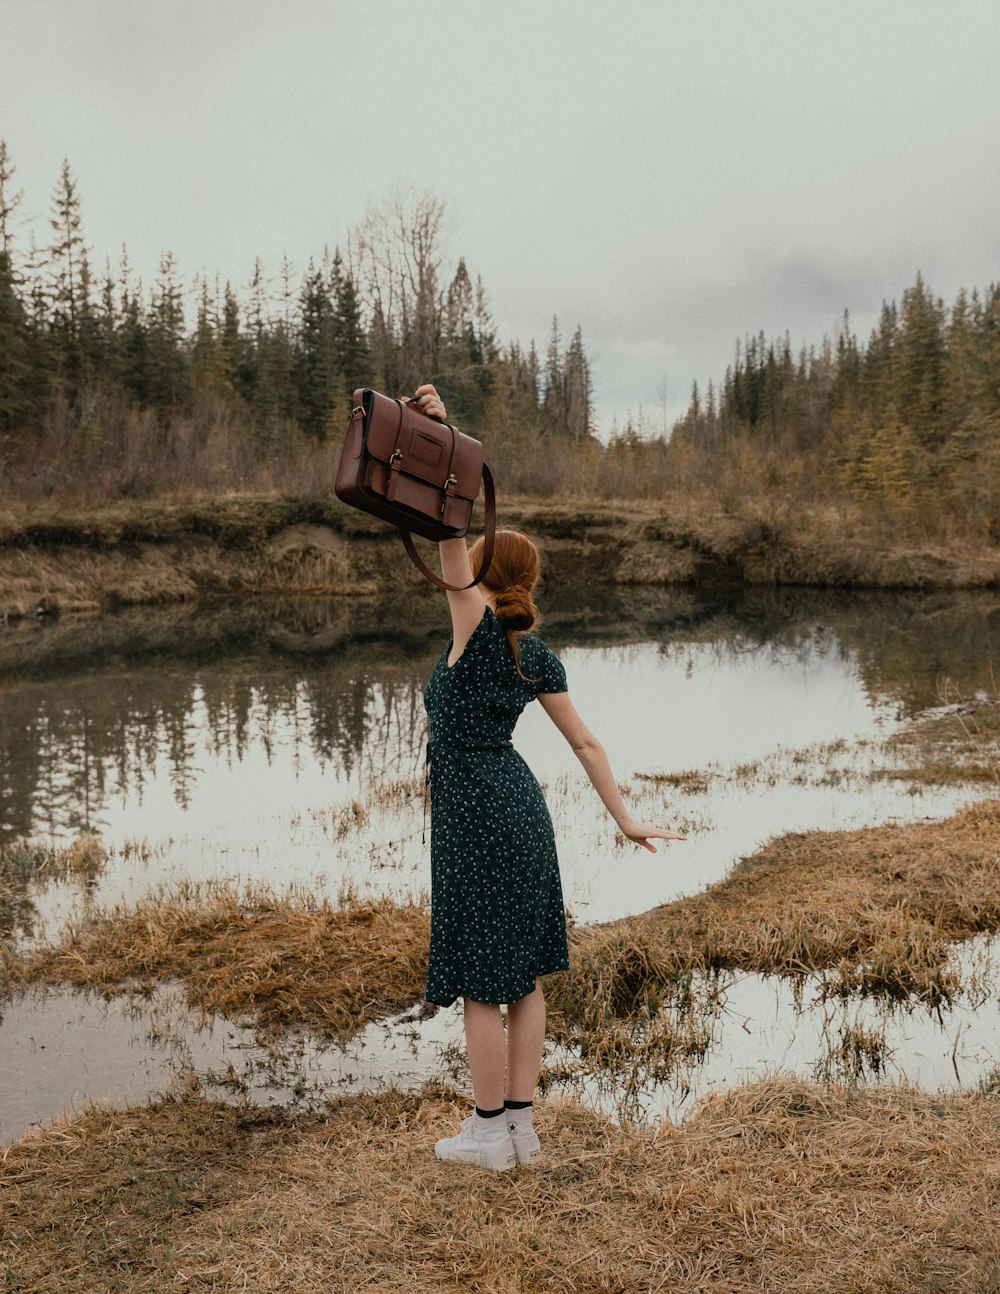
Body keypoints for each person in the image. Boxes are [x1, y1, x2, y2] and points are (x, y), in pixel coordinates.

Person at [413, 383, 686, 1172]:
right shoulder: (538, 653)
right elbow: (589, 747)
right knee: (524, 976)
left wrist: (441, 437)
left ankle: (488, 1132)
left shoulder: (472, 619)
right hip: (520, 809)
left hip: (476, 815)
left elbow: (447, 529)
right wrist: (625, 819)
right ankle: (521, 1129)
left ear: (485, 573)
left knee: (477, 983)